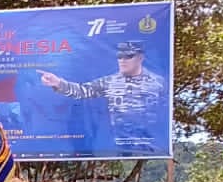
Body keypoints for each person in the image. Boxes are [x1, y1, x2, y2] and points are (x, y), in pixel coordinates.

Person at [38, 39, 166, 156]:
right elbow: (83, 91)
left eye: (128, 56)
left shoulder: (158, 83)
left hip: (150, 148)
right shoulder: (110, 81)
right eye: (119, 56)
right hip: (119, 147)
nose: (122, 60)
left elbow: (165, 115)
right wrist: (58, 83)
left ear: (140, 57)